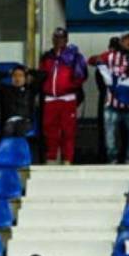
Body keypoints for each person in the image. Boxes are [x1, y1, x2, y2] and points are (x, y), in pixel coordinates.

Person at [88, 32, 129, 165]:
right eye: (128, 39)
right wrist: (98, 61)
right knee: (110, 139)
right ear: (121, 41)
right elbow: (91, 60)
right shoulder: (110, 56)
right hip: (112, 105)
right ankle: (112, 161)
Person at [38, 26, 87, 165]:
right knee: (50, 131)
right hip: (50, 99)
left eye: (61, 38)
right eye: (56, 38)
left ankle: (67, 160)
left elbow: (82, 76)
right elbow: (42, 75)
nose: (58, 41)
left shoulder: (75, 56)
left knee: (68, 131)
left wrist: (69, 87)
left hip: (67, 99)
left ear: (66, 39)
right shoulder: (47, 57)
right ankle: (52, 158)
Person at [0, 64, 38, 142]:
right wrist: (7, 73)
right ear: (11, 78)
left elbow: (42, 76)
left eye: (20, 76)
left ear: (25, 78)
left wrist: (29, 71)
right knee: (8, 131)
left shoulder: (30, 90)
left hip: (25, 120)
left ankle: (21, 152)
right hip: (10, 121)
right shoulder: (5, 89)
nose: (17, 78)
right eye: (15, 75)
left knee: (21, 130)